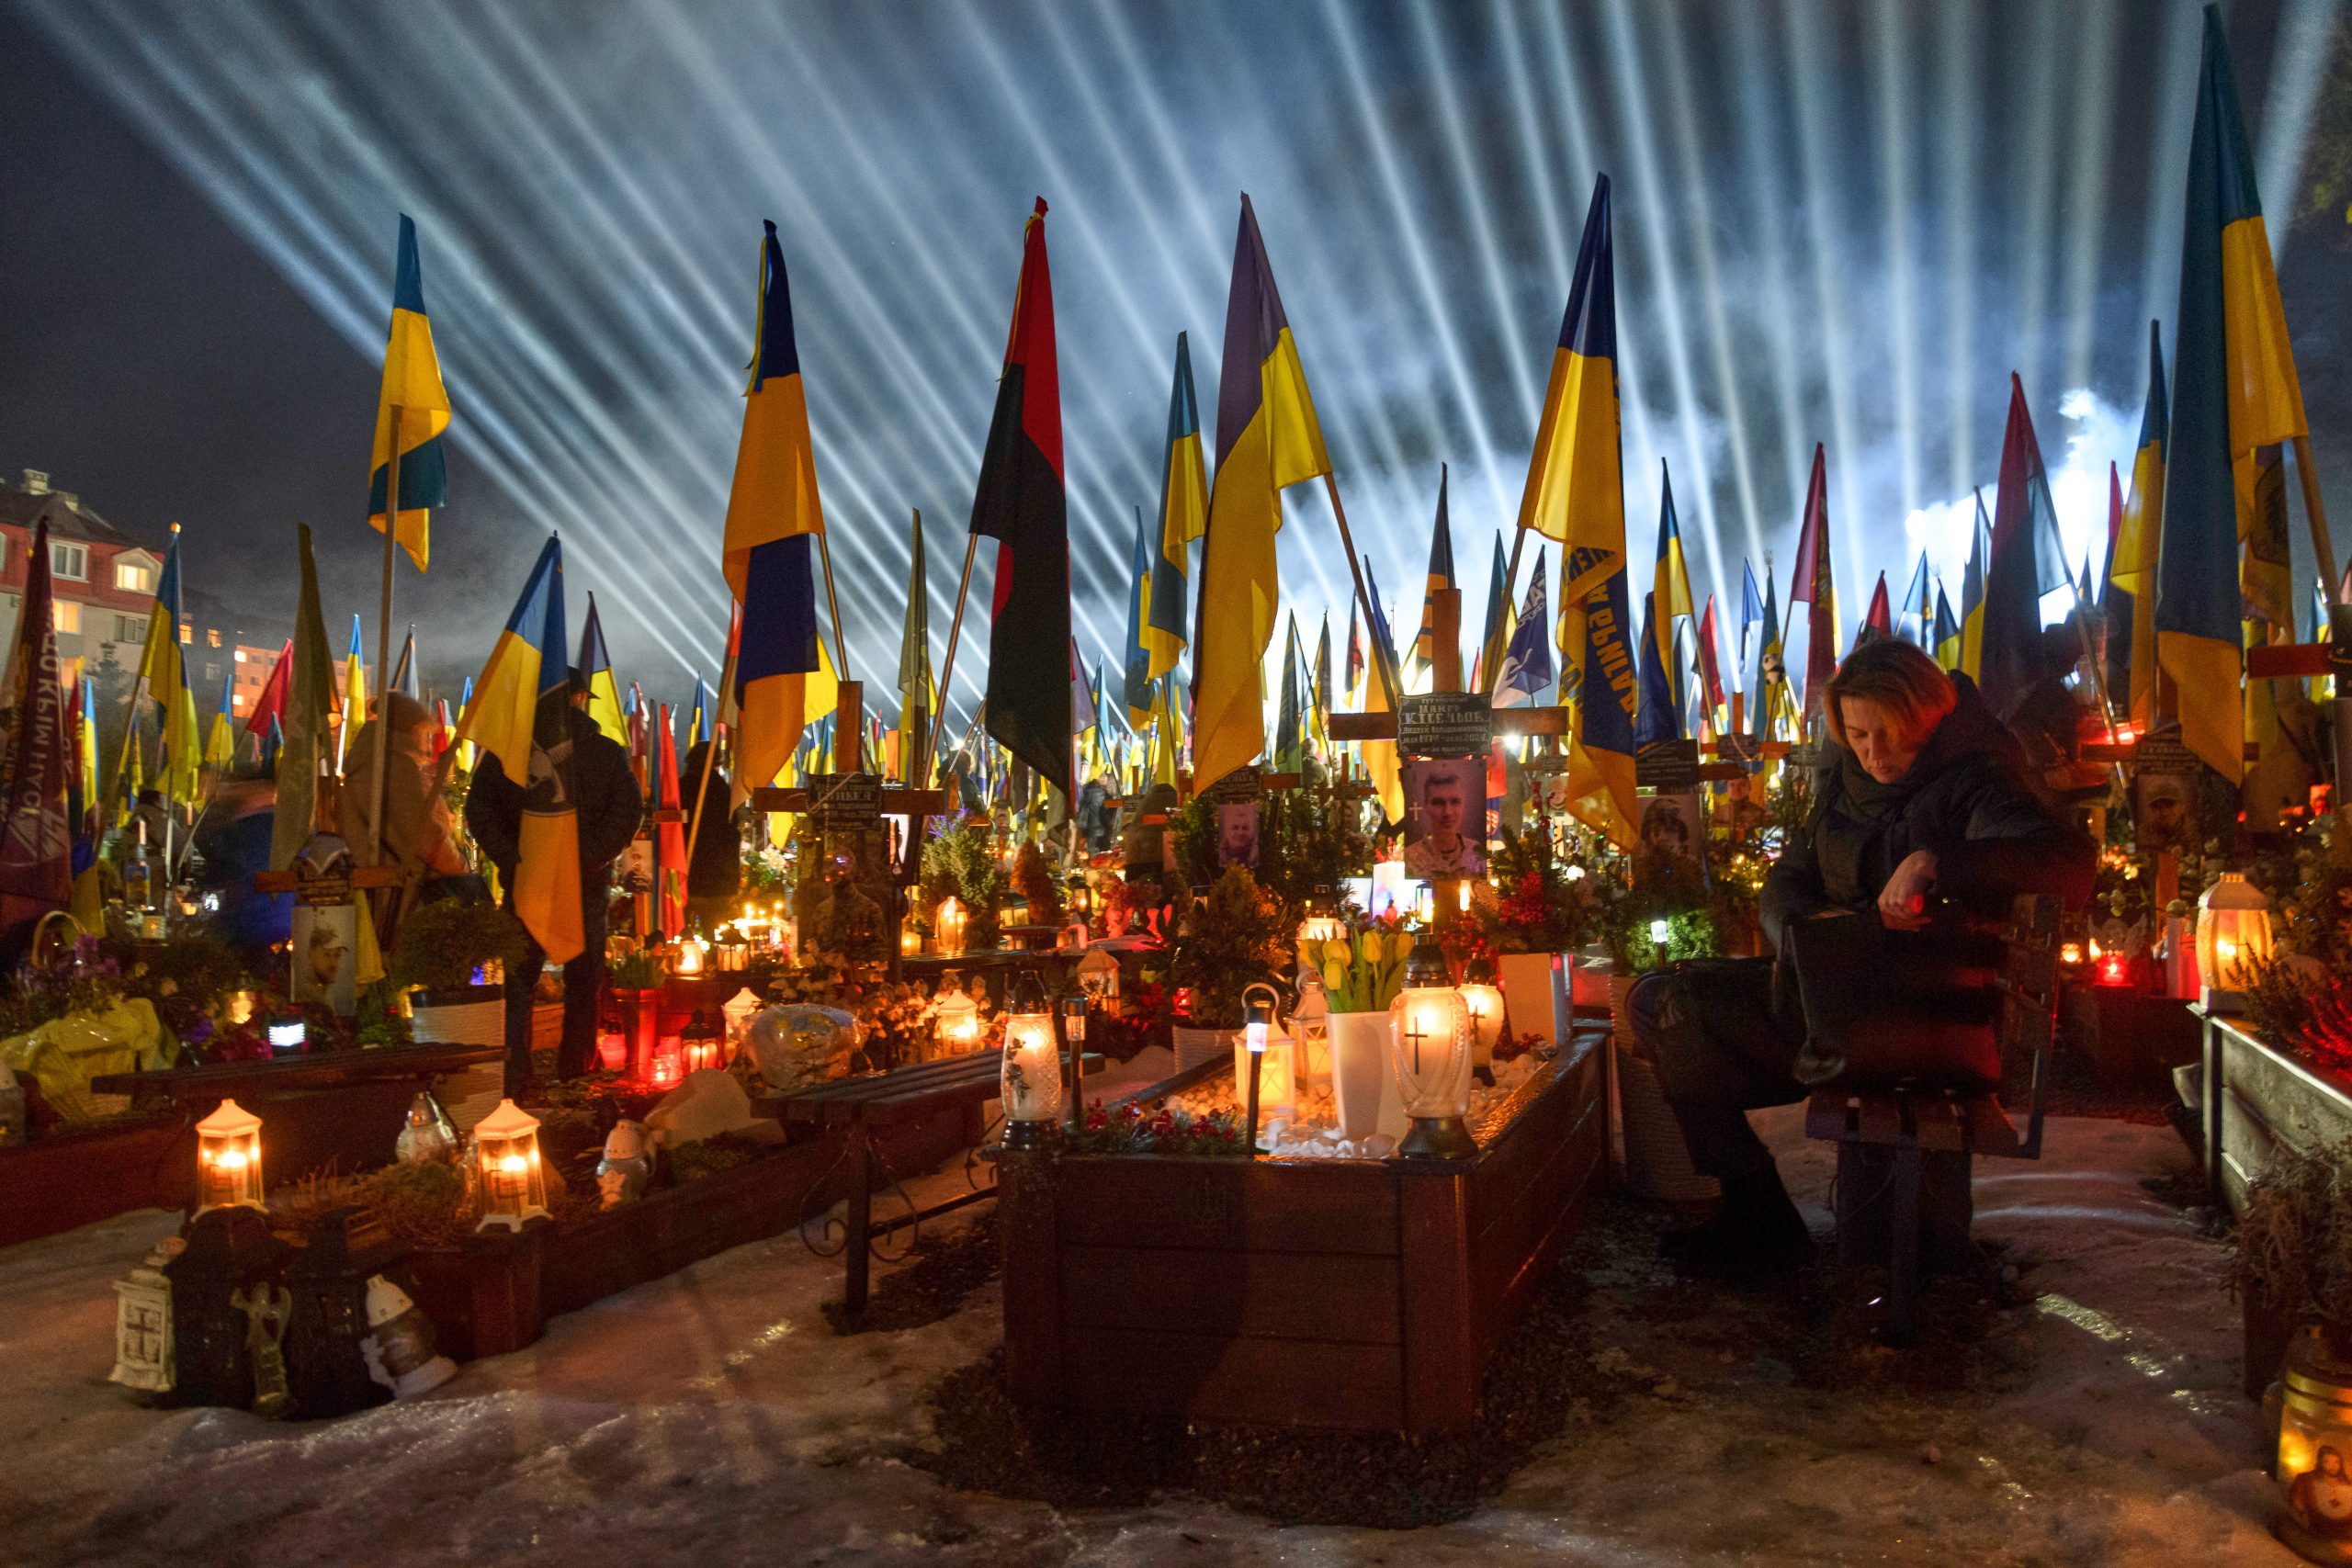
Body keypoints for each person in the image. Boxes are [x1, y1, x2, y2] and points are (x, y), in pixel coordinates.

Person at [1628, 637, 2092, 1277]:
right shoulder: (1846, 780)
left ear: (1928, 715)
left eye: (1890, 733)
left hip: (1911, 1015)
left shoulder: (1975, 778)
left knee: (1675, 1013)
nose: (1875, 752)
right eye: (1858, 733)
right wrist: (1799, 927)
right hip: (1833, 989)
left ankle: (1763, 1225)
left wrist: (1938, 863)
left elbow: (2066, 865)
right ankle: (1754, 1208)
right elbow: (1787, 876)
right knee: (1657, 1000)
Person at [465, 668, 641, 1089]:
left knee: (519, 984)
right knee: (583, 986)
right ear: (580, 698)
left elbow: (479, 810)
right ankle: (575, 1074)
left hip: (528, 883)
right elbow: (627, 813)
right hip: (582, 885)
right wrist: (591, 856)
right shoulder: (606, 752)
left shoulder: (509, 753)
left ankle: (514, 1077)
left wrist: (514, 858)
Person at [343, 693, 470, 899]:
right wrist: (461, 869)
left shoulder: (368, 762)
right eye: (424, 733)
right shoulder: (396, 768)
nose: (428, 743)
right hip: (404, 892)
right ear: (411, 730)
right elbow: (425, 836)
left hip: (380, 888)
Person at [678, 739, 738, 931]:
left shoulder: (682, 786)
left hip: (686, 871)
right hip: (717, 878)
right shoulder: (722, 790)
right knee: (712, 928)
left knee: (682, 930)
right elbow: (732, 827)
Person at [1403, 760, 1484, 878]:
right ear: (1426, 806)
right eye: (1438, 803)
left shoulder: (1478, 853)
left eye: (1455, 802)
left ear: (1463, 805)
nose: (1448, 812)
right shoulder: (1410, 858)